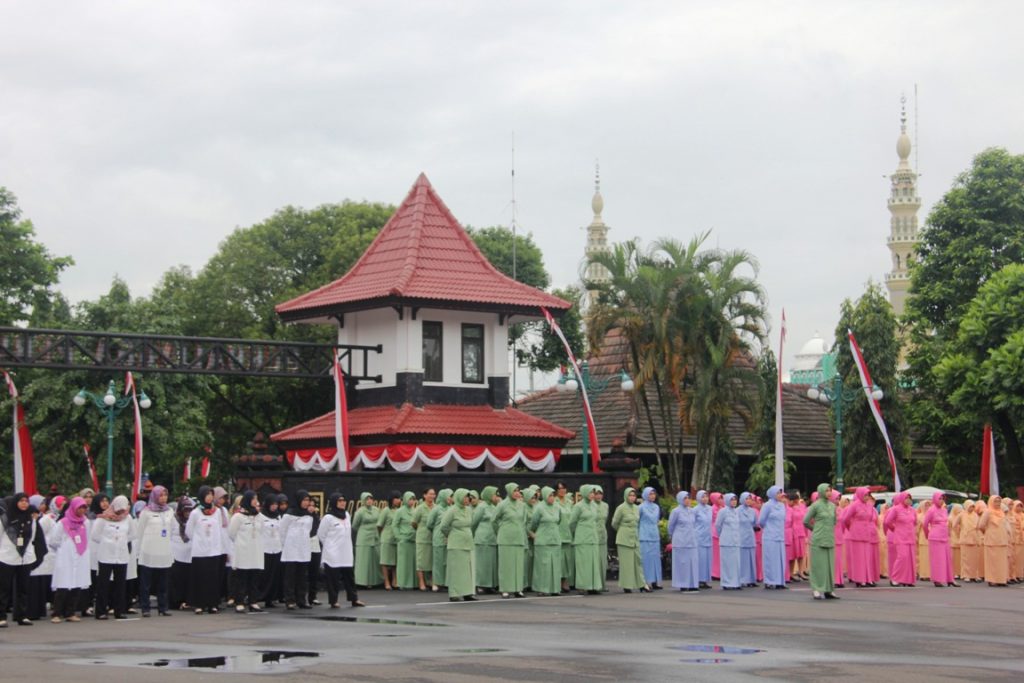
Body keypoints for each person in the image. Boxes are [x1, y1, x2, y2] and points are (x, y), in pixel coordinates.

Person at [0, 493, 41, 627]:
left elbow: (32, 537)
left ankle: (21, 615)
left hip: (25, 557)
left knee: (23, 588)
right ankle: (2, 616)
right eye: (21, 501)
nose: (24, 503)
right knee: (4, 588)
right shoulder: (5, 518)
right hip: (7, 556)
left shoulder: (31, 518)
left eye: (26, 501)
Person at [318, 492, 364, 608]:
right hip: (333, 553)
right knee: (333, 578)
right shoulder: (328, 518)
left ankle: (354, 599)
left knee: (349, 577)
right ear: (334, 502)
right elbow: (321, 534)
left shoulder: (347, 515)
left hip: (346, 552)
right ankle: (333, 601)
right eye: (339, 501)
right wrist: (330, 545)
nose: (343, 503)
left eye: (343, 500)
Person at [91, 495, 134, 619]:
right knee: (103, 584)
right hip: (106, 554)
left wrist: (122, 540)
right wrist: (108, 541)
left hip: (121, 554)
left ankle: (119, 610)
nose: (120, 512)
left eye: (123, 509)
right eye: (118, 509)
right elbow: (95, 536)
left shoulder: (128, 518)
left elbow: (133, 533)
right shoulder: (103, 518)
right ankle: (101, 611)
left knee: (120, 584)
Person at [50, 496, 91, 623]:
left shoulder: (86, 522)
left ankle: (70, 612)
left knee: (77, 585)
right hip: (66, 557)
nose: (82, 510)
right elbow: (54, 540)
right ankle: (57, 613)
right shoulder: (63, 522)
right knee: (63, 585)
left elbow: (87, 537)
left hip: (80, 556)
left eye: (84, 507)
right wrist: (64, 547)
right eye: (80, 507)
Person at [186, 486, 226, 614]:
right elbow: (189, 531)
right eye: (207, 494)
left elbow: (219, 528)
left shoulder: (217, 512)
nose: (209, 497)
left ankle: (212, 604)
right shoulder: (196, 512)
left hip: (214, 550)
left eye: (211, 494)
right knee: (200, 577)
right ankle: (199, 604)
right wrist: (199, 540)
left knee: (212, 578)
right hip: (200, 551)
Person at [136, 485, 174, 617]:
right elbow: (139, 532)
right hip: (149, 550)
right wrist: (137, 552)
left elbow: (173, 530)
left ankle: (163, 607)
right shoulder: (146, 512)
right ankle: (145, 607)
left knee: (163, 582)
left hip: (164, 550)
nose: (163, 498)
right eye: (161, 495)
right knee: (146, 582)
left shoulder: (169, 511)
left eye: (165, 495)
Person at [227, 490, 264, 612]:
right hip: (243, 550)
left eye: (256, 499)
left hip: (255, 550)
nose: (255, 501)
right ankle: (240, 601)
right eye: (253, 499)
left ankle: (253, 601)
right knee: (241, 577)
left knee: (254, 577)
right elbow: (231, 533)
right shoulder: (238, 517)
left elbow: (262, 531)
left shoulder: (259, 516)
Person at [802, 483, 838, 600]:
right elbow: (806, 521)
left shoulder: (833, 506)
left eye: (830, 490)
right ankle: (816, 589)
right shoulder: (815, 506)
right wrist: (815, 530)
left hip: (829, 538)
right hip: (818, 539)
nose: (829, 493)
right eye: (827, 490)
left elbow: (834, 522)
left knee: (829, 566)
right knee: (818, 565)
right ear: (821, 491)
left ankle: (829, 590)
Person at [279, 490, 314, 609]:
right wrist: (285, 545)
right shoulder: (289, 514)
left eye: (307, 500)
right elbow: (282, 531)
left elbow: (309, 531)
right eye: (304, 500)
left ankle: (301, 599)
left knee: (302, 576)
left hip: (303, 548)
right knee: (290, 576)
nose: (306, 503)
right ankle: (289, 600)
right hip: (291, 548)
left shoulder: (308, 515)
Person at [440, 489, 476, 602]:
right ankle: (454, 593)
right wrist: (451, 535)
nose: (467, 500)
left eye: (468, 497)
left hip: (468, 543)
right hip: (456, 543)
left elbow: (472, 524)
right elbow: (444, 526)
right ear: (459, 497)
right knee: (456, 570)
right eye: (465, 497)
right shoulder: (452, 510)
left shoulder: (469, 510)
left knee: (468, 569)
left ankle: (467, 593)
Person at [494, 483, 528, 598]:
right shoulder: (502, 505)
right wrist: (500, 530)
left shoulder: (522, 505)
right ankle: (505, 588)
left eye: (518, 490)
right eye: (514, 490)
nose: (517, 493)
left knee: (518, 565)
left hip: (518, 537)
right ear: (509, 491)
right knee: (506, 565)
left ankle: (518, 589)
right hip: (506, 538)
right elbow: (494, 520)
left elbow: (524, 520)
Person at [27, 495, 57, 620]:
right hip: (28, 554)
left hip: (40, 553)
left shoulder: (45, 518)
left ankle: (39, 610)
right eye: (41, 503)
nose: (43, 505)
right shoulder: (43, 520)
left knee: (39, 584)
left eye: (44, 503)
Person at [529, 486, 562, 596]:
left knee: (555, 565)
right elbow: (534, 523)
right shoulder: (539, 508)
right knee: (543, 565)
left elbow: (559, 520)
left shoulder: (557, 507)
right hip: (543, 540)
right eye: (550, 495)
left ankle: (554, 588)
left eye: (553, 495)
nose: (552, 498)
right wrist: (535, 533)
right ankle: (541, 588)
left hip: (555, 540)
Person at [843, 487, 880, 587]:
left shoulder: (869, 506)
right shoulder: (854, 505)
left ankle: (868, 578)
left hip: (866, 533)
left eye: (868, 495)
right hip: (856, 534)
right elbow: (845, 519)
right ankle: (860, 579)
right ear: (859, 495)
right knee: (859, 558)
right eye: (865, 495)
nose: (867, 497)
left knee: (867, 557)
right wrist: (851, 528)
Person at [570, 485, 601, 595]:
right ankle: (583, 585)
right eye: (590, 492)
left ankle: (593, 586)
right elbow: (572, 522)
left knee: (593, 563)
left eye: (593, 492)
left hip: (593, 538)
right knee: (583, 563)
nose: (592, 495)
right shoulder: (578, 506)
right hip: (582, 538)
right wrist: (577, 534)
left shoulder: (594, 505)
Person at [922, 491, 957, 588]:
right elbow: (925, 524)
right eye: (940, 498)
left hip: (944, 537)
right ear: (935, 499)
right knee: (938, 559)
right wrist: (927, 534)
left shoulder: (944, 510)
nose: (941, 501)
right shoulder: (931, 510)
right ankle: (937, 580)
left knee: (947, 558)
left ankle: (950, 579)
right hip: (935, 537)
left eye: (943, 499)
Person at [883, 492, 916, 587]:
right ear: (902, 499)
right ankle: (895, 578)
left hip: (910, 537)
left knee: (910, 558)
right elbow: (887, 521)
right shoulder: (896, 509)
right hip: (900, 537)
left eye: (910, 498)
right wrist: (895, 529)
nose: (908, 500)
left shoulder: (912, 510)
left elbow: (914, 522)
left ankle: (908, 580)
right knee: (902, 557)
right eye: (906, 498)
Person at [758, 486, 787, 590]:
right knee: (770, 559)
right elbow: (761, 521)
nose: (780, 495)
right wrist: (769, 528)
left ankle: (780, 581)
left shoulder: (782, 505)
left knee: (780, 559)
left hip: (780, 536)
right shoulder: (767, 506)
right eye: (778, 493)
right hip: (770, 536)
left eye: (781, 493)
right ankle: (769, 581)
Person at [667, 491, 697, 592]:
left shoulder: (692, 511)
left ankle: (692, 583)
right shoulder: (676, 511)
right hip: (680, 541)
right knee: (682, 563)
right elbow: (670, 526)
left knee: (692, 562)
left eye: (688, 498)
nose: (687, 500)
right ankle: (683, 583)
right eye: (685, 498)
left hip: (691, 540)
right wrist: (672, 536)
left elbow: (694, 524)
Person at [472, 485, 500, 594]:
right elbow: (474, 522)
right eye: (494, 494)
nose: (496, 497)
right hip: (482, 538)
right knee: (482, 563)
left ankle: (490, 585)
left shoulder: (494, 507)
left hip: (492, 538)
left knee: (491, 563)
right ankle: (480, 584)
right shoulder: (481, 507)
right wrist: (473, 535)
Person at [352, 492, 382, 588]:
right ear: (363, 501)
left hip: (375, 536)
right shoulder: (360, 512)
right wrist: (364, 531)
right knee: (364, 559)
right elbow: (354, 525)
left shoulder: (377, 510)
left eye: (370, 499)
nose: (369, 501)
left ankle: (375, 581)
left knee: (375, 559)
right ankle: (362, 582)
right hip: (363, 538)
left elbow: (380, 522)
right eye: (367, 499)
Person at [257, 493, 283, 606]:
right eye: (272, 504)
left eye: (276, 504)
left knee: (274, 574)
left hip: (276, 548)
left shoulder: (278, 516)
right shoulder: (261, 516)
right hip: (265, 548)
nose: (274, 506)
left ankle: (271, 598)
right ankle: (260, 596)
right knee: (264, 575)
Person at [978, 495, 1009, 586]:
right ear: (991, 502)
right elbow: (981, 525)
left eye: (999, 501)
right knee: (992, 561)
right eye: (996, 501)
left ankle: (1001, 579)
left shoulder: (1002, 512)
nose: (998, 503)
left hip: (1002, 539)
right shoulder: (987, 512)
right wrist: (987, 533)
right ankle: (992, 580)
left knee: (1001, 561)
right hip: (991, 539)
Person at [169, 496, 194, 610]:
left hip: (189, 554)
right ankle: (176, 602)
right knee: (176, 580)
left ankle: (187, 601)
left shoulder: (192, 519)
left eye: (190, 510)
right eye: (186, 510)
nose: (187, 513)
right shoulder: (173, 519)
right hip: (176, 554)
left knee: (188, 579)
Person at [715, 493, 742, 590]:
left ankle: (735, 582)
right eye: (732, 499)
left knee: (735, 562)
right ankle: (727, 583)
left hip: (735, 540)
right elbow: (718, 525)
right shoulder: (723, 511)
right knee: (727, 563)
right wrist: (722, 535)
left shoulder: (736, 511)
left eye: (735, 499)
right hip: (726, 541)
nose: (734, 501)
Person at [638, 487, 663, 590]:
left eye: (653, 494)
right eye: (650, 494)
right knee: (646, 559)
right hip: (644, 535)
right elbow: (637, 521)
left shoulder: (656, 507)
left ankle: (655, 581)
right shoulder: (641, 507)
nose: (652, 496)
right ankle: (645, 582)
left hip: (654, 535)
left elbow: (656, 520)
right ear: (645, 495)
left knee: (655, 559)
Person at [391, 492, 417, 590]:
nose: (412, 501)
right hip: (404, 540)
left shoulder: (415, 511)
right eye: (410, 499)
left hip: (413, 539)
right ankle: (402, 583)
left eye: (413, 499)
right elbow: (395, 525)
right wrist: (399, 537)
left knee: (413, 563)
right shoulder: (400, 511)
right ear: (405, 500)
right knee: (403, 563)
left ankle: (414, 583)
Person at [427, 489, 453, 591]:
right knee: (438, 562)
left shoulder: (451, 508)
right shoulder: (436, 509)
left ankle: (446, 582)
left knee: (447, 562)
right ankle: (436, 583)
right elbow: (429, 524)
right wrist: (436, 532)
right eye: (449, 496)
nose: (451, 499)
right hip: (438, 538)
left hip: (449, 538)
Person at [377, 491, 401, 591]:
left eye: (400, 498)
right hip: (386, 539)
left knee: (395, 561)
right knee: (385, 561)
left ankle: (394, 581)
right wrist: (383, 535)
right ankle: (386, 582)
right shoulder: (386, 510)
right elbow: (379, 525)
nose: (399, 500)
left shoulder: (400, 510)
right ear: (392, 499)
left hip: (396, 539)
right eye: (397, 498)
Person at [412, 487, 435, 591]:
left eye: (433, 494)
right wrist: (421, 530)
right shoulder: (419, 508)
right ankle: (421, 582)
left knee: (432, 560)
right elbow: (414, 523)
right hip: (422, 538)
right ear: (424, 495)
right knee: (421, 561)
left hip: (433, 538)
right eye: (430, 494)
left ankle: (431, 581)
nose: (432, 496)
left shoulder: (436, 507)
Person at [555, 482, 575, 591]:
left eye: (564, 488)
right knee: (559, 560)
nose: (562, 490)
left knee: (567, 560)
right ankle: (557, 582)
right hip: (558, 533)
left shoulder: (569, 502)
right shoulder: (555, 502)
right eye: (559, 489)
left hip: (568, 534)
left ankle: (564, 582)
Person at [956, 500, 982, 582]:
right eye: (970, 506)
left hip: (974, 538)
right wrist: (960, 532)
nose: (972, 508)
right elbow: (954, 525)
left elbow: (978, 527)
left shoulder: (976, 515)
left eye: (973, 506)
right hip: (965, 539)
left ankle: (974, 575)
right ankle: (966, 575)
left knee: (974, 558)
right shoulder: (961, 515)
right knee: (965, 558)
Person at [738, 492, 758, 587]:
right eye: (746, 499)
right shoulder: (737, 511)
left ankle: (751, 579)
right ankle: (742, 579)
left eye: (750, 499)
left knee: (751, 558)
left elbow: (755, 523)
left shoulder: (753, 511)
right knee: (743, 559)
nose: (748, 500)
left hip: (750, 535)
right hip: (741, 536)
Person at [694, 490, 713, 588]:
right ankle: (698, 579)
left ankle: (705, 579)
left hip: (708, 536)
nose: (705, 499)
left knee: (707, 559)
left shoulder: (710, 509)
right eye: (703, 497)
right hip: (699, 537)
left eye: (706, 496)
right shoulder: (695, 510)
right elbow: (692, 523)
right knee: (700, 559)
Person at [593, 486, 610, 591]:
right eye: (596, 493)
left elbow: (606, 519)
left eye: (600, 493)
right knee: (595, 561)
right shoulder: (590, 505)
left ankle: (602, 585)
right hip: (593, 536)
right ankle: (595, 585)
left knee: (603, 562)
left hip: (603, 535)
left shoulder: (605, 506)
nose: (599, 496)